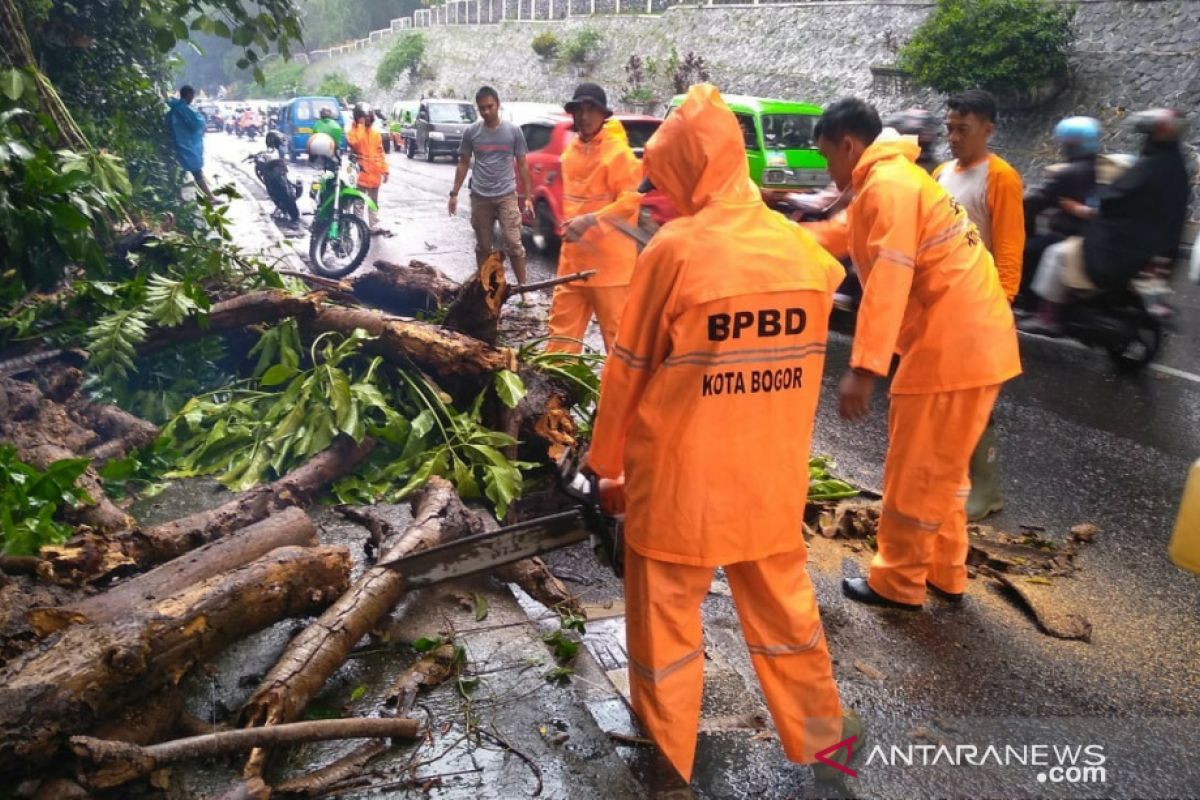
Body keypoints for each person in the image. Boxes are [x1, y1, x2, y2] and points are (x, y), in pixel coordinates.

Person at [586, 83, 858, 785]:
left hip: (679, 485)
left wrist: (606, 466)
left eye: (668, 170)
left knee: (668, 632)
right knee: (792, 631)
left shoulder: (675, 252)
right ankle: (829, 748)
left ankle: (670, 759)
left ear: (686, 167)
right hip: (768, 484)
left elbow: (628, 371)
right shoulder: (801, 254)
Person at [806, 98, 1021, 610]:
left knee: (915, 472)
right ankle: (945, 573)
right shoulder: (896, 179)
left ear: (849, 146)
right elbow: (842, 234)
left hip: (953, 344)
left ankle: (897, 582)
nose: (828, 170)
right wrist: (771, 237)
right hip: (971, 340)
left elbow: (890, 278)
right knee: (944, 473)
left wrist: (863, 367)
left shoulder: (888, 186)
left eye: (827, 157)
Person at [932, 90, 1024, 522]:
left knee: (975, 398)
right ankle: (956, 481)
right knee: (947, 398)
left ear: (988, 129)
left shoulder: (1000, 177)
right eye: (949, 128)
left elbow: (1009, 247)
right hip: (943, 306)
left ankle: (986, 491)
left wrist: (1001, 303)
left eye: (962, 130)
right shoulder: (940, 173)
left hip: (979, 306)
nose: (953, 137)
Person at [1021, 108, 1190, 336]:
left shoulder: (1149, 168)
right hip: (1146, 240)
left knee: (1055, 254)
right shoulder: (1171, 167)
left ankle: (1048, 317)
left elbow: (1113, 199)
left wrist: (1082, 209)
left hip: (1115, 242)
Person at [544, 83, 643, 354]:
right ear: (573, 114)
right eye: (580, 110)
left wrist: (590, 221)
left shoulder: (618, 154)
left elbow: (631, 201)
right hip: (573, 264)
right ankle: (556, 393)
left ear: (603, 115)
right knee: (559, 343)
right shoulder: (571, 152)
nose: (585, 116)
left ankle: (620, 397)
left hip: (610, 269)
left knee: (620, 347)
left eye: (592, 110)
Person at [448, 86, 532, 286]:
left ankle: (524, 288)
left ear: (498, 105)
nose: (486, 112)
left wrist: (528, 197)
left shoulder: (513, 131)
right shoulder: (471, 132)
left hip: (506, 196)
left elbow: (522, 164)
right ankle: (486, 287)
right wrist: (454, 194)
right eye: (482, 108)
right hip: (480, 197)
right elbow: (463, 162)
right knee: (484, 246)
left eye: (489, 106)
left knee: (513, 244)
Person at [1017, 117, 1102, 311]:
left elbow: (1039, 199)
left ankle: (1029, 303)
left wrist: (1016, 202)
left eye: (1065, 143)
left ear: (1072, 144)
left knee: (1027, 250)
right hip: (1087, 233)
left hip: (1069, 234)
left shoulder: (1070, 172)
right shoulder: (1096, 168)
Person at [165, 85, 219, 204]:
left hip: (177, 144)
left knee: (182, 171)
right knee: (196, 171)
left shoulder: (174, 109)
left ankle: (179, 197)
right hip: (187, 145)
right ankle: (210, 197)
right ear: (189, 95)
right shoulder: (185, 109)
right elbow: (196, 124)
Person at [346, 103, 390, 234]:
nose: (368, 120)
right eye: (365, 118)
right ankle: (361, 226)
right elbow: (356, 143)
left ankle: (373, 226)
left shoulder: (375, 134)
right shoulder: (353, 132)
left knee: (373, 202)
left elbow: (380, 153)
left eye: (369, 117)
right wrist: (360, 125)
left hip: (374, 174)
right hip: (360, 174)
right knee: (359, 202)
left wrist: (385, 170)